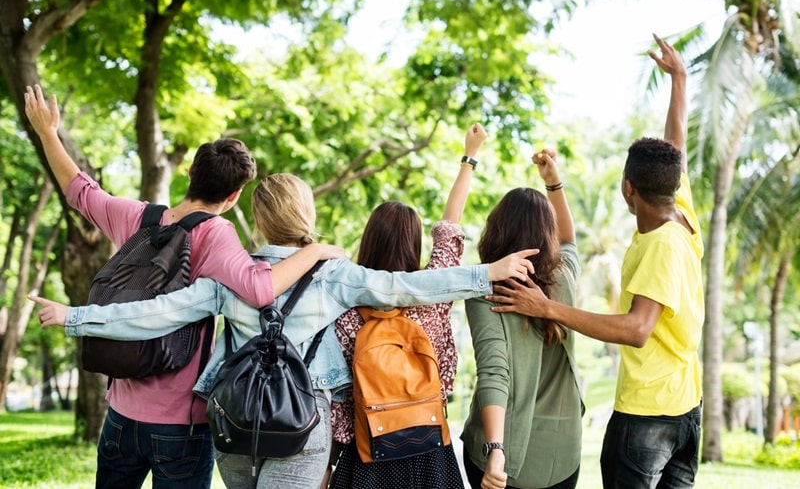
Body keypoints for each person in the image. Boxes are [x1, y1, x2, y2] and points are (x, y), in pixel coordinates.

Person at [31, 172, 537, 488]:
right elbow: (410, 287)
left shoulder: (231, 276)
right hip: (302, 425)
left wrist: (75, 316)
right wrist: (486, 274)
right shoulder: (333, 274)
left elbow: (155, 313)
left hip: (233, 422)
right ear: (307, 215)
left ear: (257, 220)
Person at [23, 84, 342, 489]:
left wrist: (48, 132)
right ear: (233, 196)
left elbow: (81, 193)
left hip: (120, 415)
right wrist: (314, 253)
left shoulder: (138, 217)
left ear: (189, 172)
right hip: (180, 424)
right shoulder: (217, 234)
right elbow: (260, 289)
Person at [487, 34, 703, 489]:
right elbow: (675, 146)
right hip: (687, 409)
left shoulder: (662, 244)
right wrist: (680, 81)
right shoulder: (680, 210)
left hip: (649, 417)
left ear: (628, 189)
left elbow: (637, 329)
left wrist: (546, 308)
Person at [328, 124, 487, 489]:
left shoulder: (345, 306)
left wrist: (329, 464)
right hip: (429, 447)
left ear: (369, 241)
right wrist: (470, 156)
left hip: (368, 452)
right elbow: (450, 228)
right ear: (414, 244)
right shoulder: (432, 297)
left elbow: (339, 400)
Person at [460, 148, 583, 489]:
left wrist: (495, 449)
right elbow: (569, 240)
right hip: (562, 455)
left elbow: (494, 373)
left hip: (503, 454)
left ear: (496, 229)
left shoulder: (487, 290)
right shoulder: (564, 278)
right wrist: (553, 183)